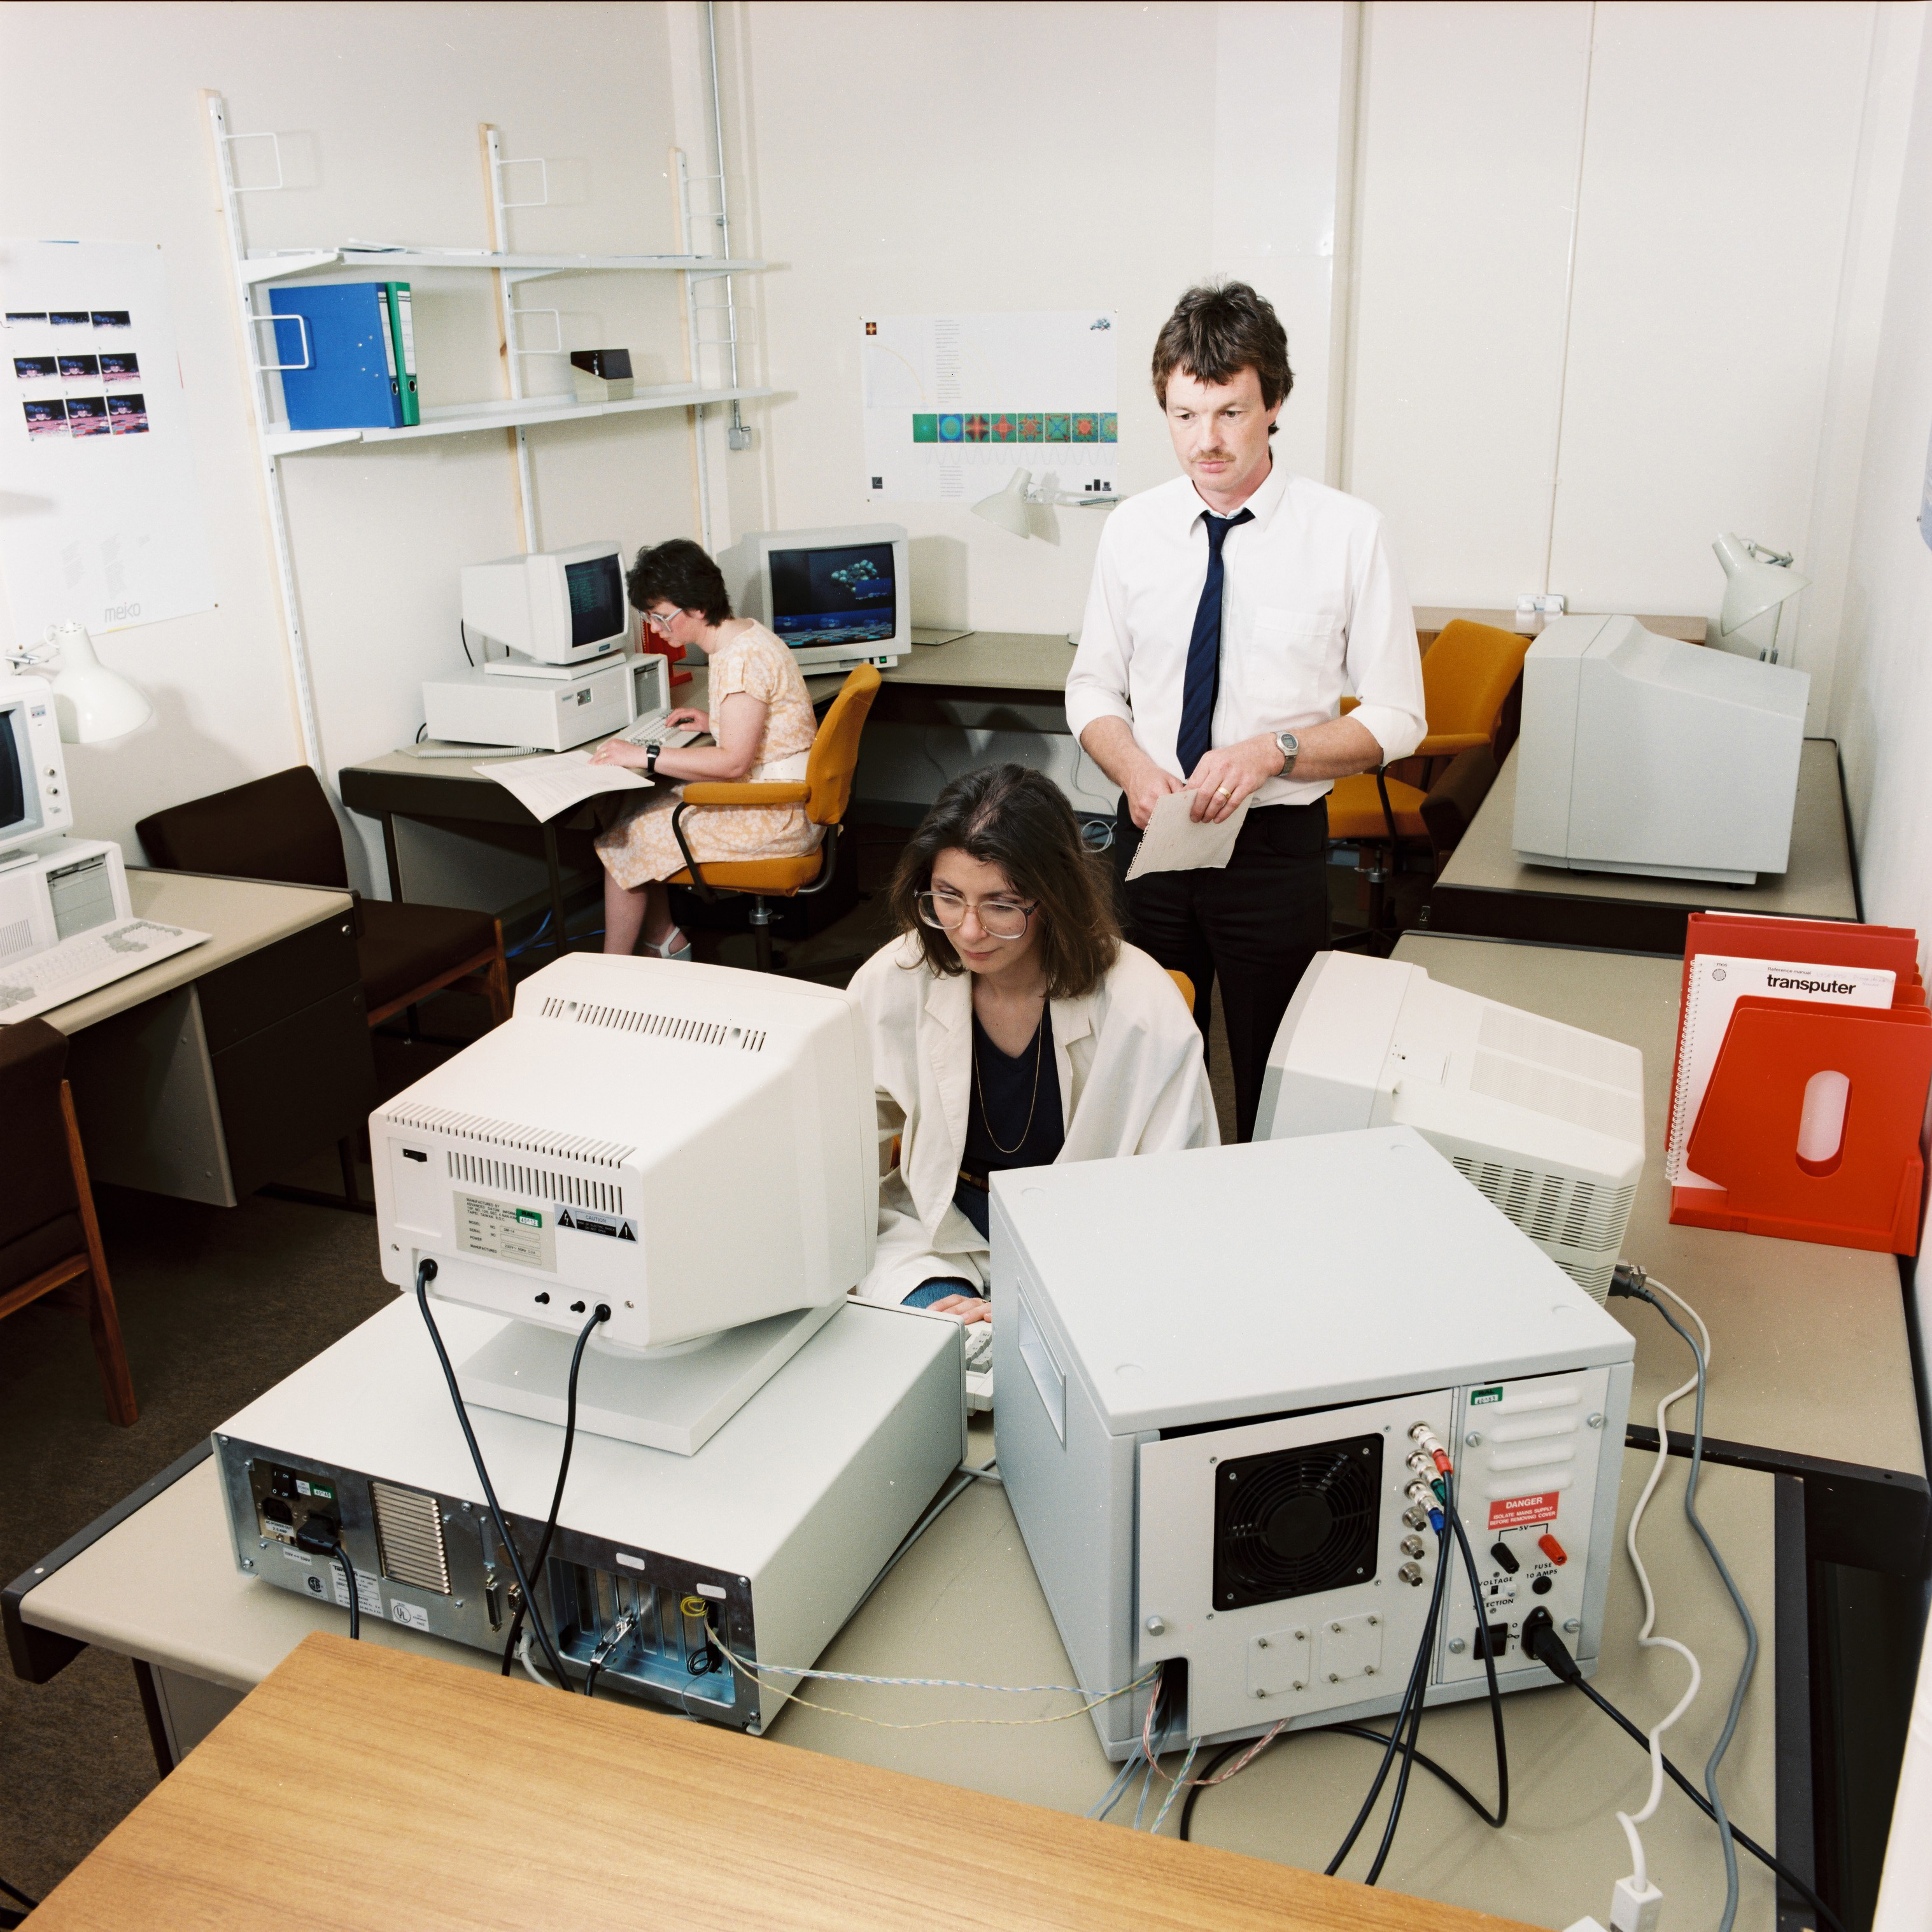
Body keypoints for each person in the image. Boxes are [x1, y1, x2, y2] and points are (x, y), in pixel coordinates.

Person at [1066, 280, 1426, 1141]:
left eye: (1229, 412)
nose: (1207, 441)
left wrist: (1274, 750)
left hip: (1272, 849)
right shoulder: (1131, 529)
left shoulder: (1346, 532)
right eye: (1184, 415)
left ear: (1274, 404)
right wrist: (1132, 768)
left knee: (1272, 1076)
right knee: (1142, 1064)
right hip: (1151, 835)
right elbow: (1091, 686)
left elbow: (1397, 716)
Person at [850, 763, 1218, 1320]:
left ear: (1053, 896)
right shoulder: (900, 973)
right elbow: (843, 1139)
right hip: (936, 1236)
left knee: (1034, 1351)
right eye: (948, 896)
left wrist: (1031, 1306)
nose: (968, 930)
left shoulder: (1140, 1004)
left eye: (1001, 905)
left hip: (1091, 1250)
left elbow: (1180, 1191)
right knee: (939, 1343)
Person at [589, 539, 820, 959]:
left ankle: (612, 971)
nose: (655, 628)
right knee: (623, 806)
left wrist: (645, 755)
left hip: (777, 813)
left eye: (660, 617)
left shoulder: (739, 659)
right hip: (785, 796)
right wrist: (715, 722)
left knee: (625, 840)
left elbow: (732, 763)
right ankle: (664, 940)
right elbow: (764, 720)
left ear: (696, 608)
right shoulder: (744, 634)